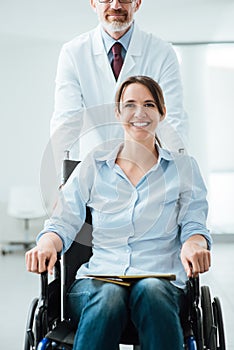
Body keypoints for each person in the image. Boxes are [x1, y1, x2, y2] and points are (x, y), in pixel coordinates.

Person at [26, 76, 211, 350]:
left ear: (162, 112)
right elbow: (63, 222)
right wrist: (45, 244)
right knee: (109, 295)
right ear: (117, 112)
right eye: (130, 105)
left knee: (151, 290)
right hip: (98, 280)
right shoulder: (94, 165)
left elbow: (194, 223)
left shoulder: (184, 168)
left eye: (149, 104)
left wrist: (194, 244)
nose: (139, 113)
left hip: (161, 279)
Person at [51, 0, 188, 165]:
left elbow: (173, 119)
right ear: (93, 3)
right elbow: (67, 121)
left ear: (137, 3)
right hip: (94, 169)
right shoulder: (73, 53)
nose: (116, 5)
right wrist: (63, 177)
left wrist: (177, 172)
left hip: (146, 167)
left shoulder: (162, 52)